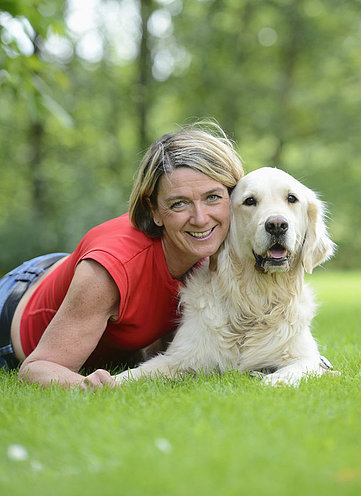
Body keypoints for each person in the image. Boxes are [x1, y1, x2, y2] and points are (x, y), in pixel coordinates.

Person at [0, 122, 244, 389]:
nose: (200, 219)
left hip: (64, 271)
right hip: (13, 315)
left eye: (212, 197)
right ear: (153, 210)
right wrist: (88, 387)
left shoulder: (224, 243)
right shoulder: (111, 269)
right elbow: (36, 368)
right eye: (179, 203)